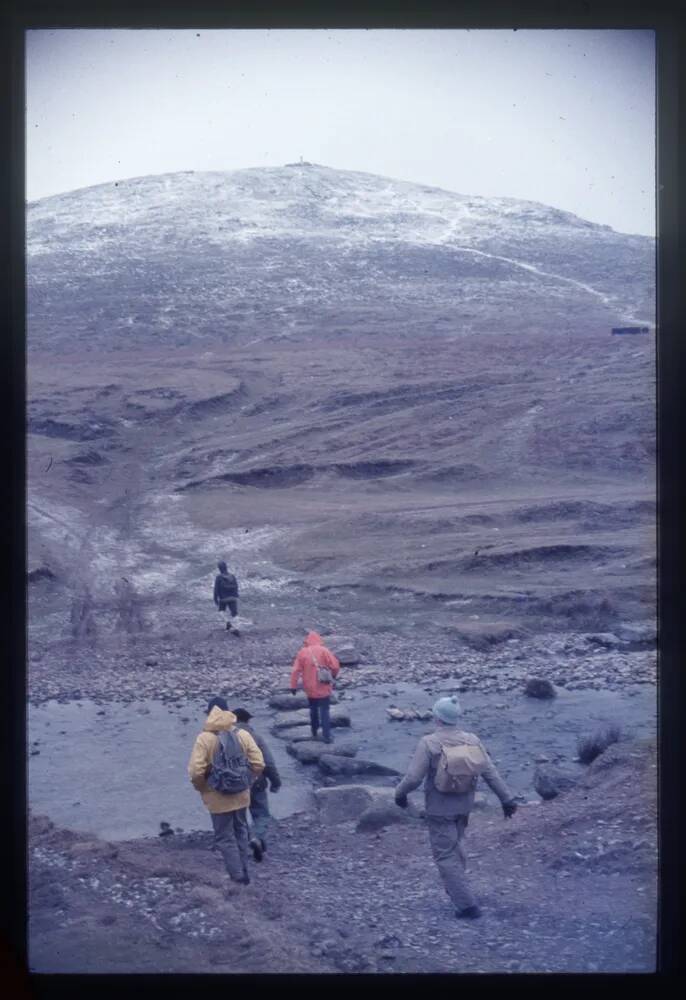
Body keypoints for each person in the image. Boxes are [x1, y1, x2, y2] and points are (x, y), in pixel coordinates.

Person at [394, 695, 517, 920]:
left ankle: (467, 905)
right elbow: (490, 772)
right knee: (456, 846)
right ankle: (458, 888)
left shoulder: (429, 743)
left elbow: (413, 778)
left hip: (439, 809)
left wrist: (399, 794)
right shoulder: (472, 740)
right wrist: (507, 800)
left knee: (445, 855)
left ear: (437, 718)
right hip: (464, 807)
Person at [187, 696, 264, 891]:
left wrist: (203, 788)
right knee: (241, 831)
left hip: (217, 798)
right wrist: (249, 781)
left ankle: (237, 878)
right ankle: (244, 871)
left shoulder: (204, 738)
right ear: (228, 712)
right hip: (241, 794)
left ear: (208, 714)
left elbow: (196, 772)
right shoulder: (242, 735)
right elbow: (259, 764)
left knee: (224, 837)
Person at [232, 707, 282, 862]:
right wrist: (275, 782)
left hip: (234, 784)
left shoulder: (224, 738)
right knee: (261, 814)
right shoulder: (256, 737)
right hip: (256, 781)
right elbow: (268, 763)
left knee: (239, 817)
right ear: (248, 720)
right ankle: (257, 838)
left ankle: (244, 848)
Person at [289, 630, 340, 744]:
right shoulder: (324, 650)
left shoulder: (302, 652)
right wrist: (333, 675)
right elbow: (335, 666)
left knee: (313, 710)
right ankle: (327, 736)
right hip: (323, 686)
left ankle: (314, 732)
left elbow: (295, 671)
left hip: (310, 687)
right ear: (319, 640)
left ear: (307, 641)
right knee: (324, 711)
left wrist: (293, 686)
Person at [213, 561, 239, 632]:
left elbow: (216, 589)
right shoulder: (232, 576)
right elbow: (236, 586)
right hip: (233, 597)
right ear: (226, 567)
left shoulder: (219, 577)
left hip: (223, 598)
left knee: (221, 611)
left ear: (219, 568)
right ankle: (237, 628)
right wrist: (236, 595)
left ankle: (228, 623)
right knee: (235, 614)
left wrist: (215, 598)